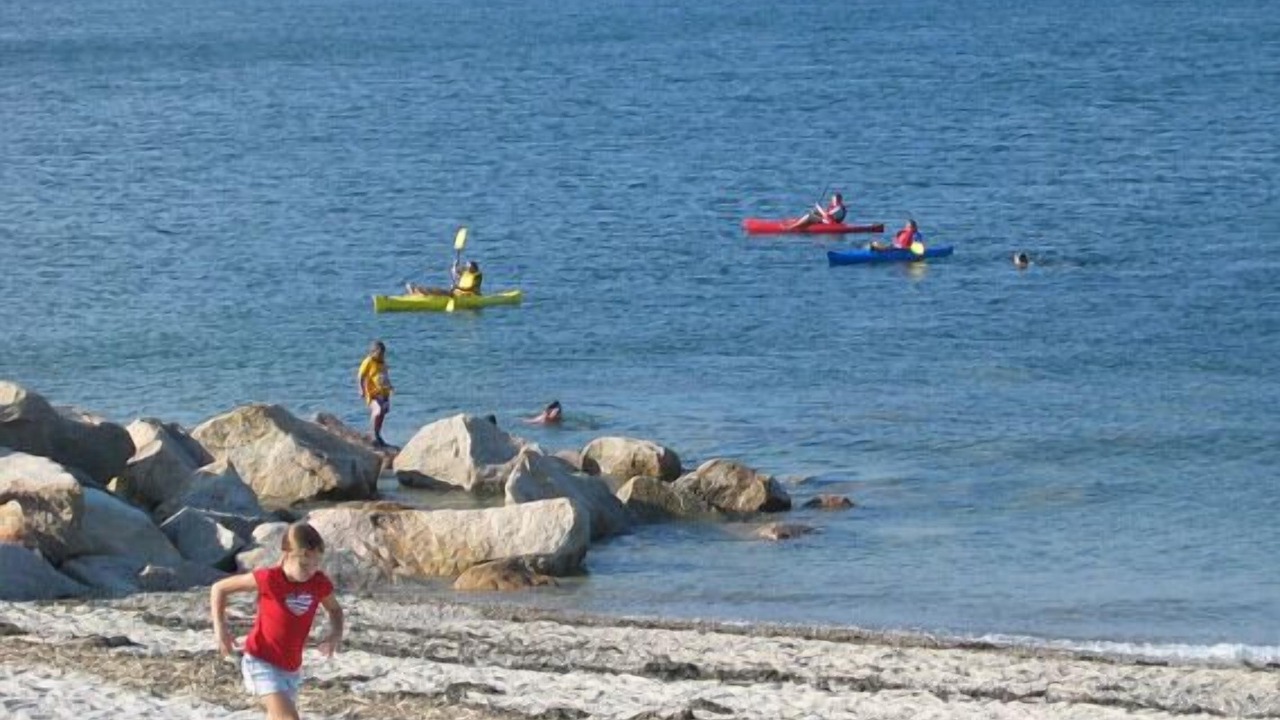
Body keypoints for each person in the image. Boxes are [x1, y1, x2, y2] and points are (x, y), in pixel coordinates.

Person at [210, 522, 344, 720]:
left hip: (292, 669)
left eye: (316, 565)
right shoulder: (269, 578)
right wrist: (220, 630)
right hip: (261, 661)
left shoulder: (318, 583)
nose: (311, 571)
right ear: (287, 553)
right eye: (305, 565)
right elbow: (219, 588)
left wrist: (334, 635)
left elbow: (335, 610)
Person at [357, 340, 392, 447]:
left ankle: (377, 433)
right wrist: (361, 389)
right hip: (372, 393)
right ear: (373, 352)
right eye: (380, 353)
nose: (381, 355)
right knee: (377, 410)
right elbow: (361, 376)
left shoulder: (383, 363)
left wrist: (389, 386)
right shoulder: (368, 361)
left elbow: (384, 376)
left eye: (383, 353)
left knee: (383, 412)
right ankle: (372, 434)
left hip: (383, 392)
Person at [403, 257, 483, 297]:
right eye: (467, 266)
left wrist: (457, 287)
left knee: (440, 292)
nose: (467, 267)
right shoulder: (466, 272)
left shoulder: (477, 276)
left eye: (469, 266)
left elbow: (471, 288)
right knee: (438, 290)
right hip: (457, 293)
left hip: (470, 296)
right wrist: (454, 266)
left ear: (474, 268)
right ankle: (418, 291)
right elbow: (454, 273)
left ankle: (420, 292)